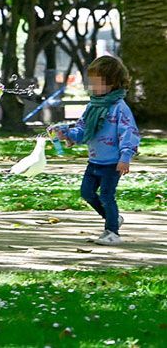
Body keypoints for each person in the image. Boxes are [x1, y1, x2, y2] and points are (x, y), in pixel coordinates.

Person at [50, 55, 140, 245]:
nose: (92, 87)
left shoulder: (119, 108)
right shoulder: (92, 106)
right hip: (94, 161)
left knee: (107, 195)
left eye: (96, 83)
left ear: (112, 83)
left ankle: (112, 232)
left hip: (112, 163)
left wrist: (125, 157)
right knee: (87, 193)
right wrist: (66, 133)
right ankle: (112, 219)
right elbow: (82, 130)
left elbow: (128, 133)